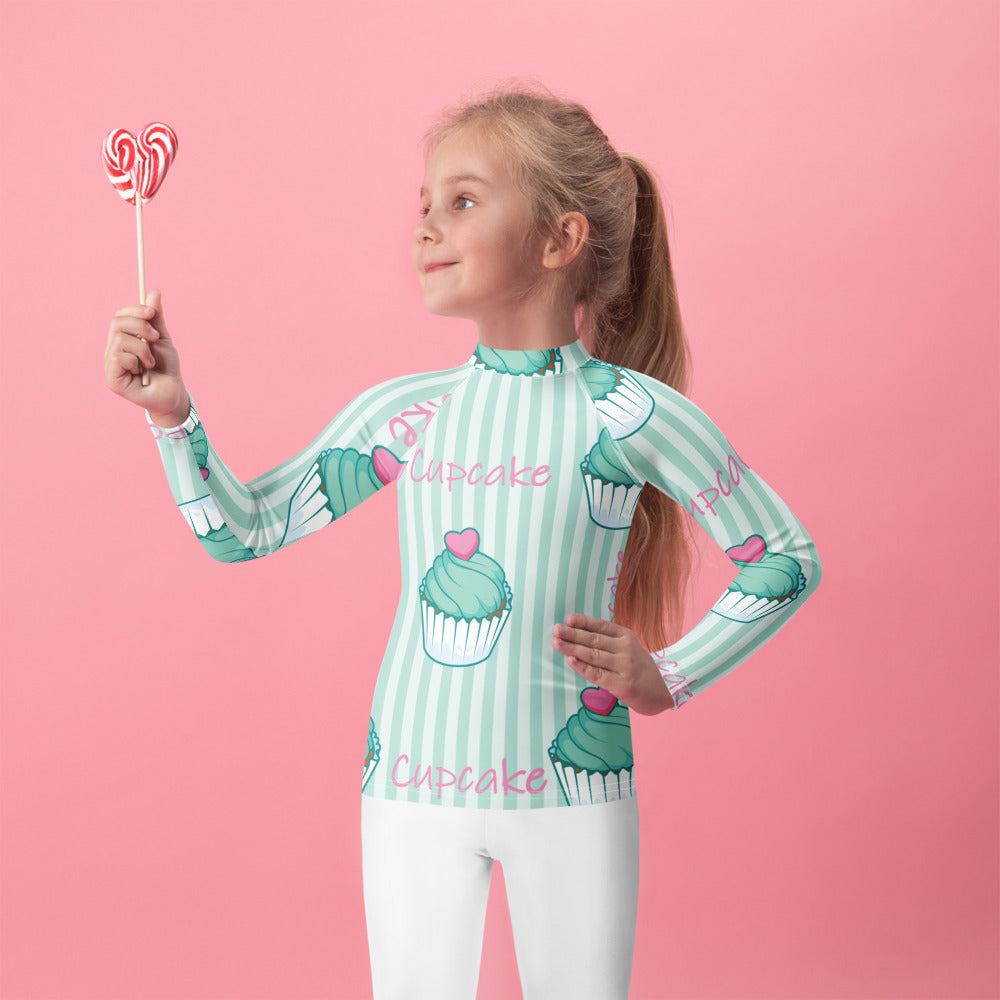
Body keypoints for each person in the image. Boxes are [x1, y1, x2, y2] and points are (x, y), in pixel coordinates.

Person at [104, 85, 821, 1000]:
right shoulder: (407, 415)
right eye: (425, 204)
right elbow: (243, 532)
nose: (426, 227)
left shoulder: (630, 413)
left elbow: (786, 558)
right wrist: (173, 417)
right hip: (408, 788)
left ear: (560, 240)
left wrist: (668, 676)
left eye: (463, 200)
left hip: (576, 789)